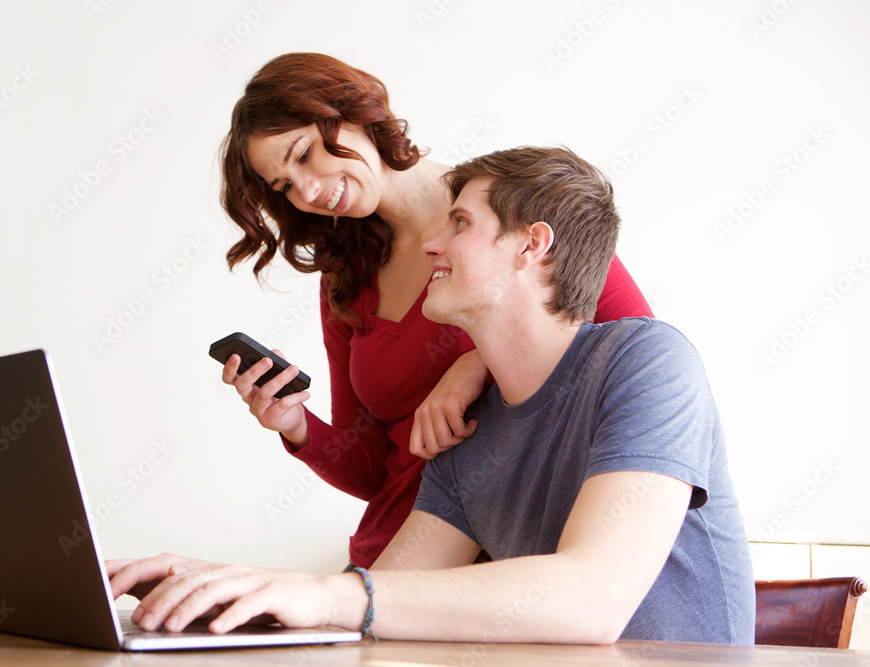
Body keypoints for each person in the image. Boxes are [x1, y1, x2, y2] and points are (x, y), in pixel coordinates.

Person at [108, 146, 754, 644]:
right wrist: (220, 587)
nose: (429, 244)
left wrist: (326, 596)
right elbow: (379, 599)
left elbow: (592, 598)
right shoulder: (464, 431)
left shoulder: (650, 361)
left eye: (461, 223)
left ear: (533, 244)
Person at [218, 52, 654, 569]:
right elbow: (379, 470)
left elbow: (640, 355)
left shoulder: (512, 205)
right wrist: (298, 426)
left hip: (510, 565)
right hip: (391, 562)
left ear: (352, 113)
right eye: (285, 186)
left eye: (306, 154)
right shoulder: (346, 275)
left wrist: (476, 364)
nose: (308, 190)